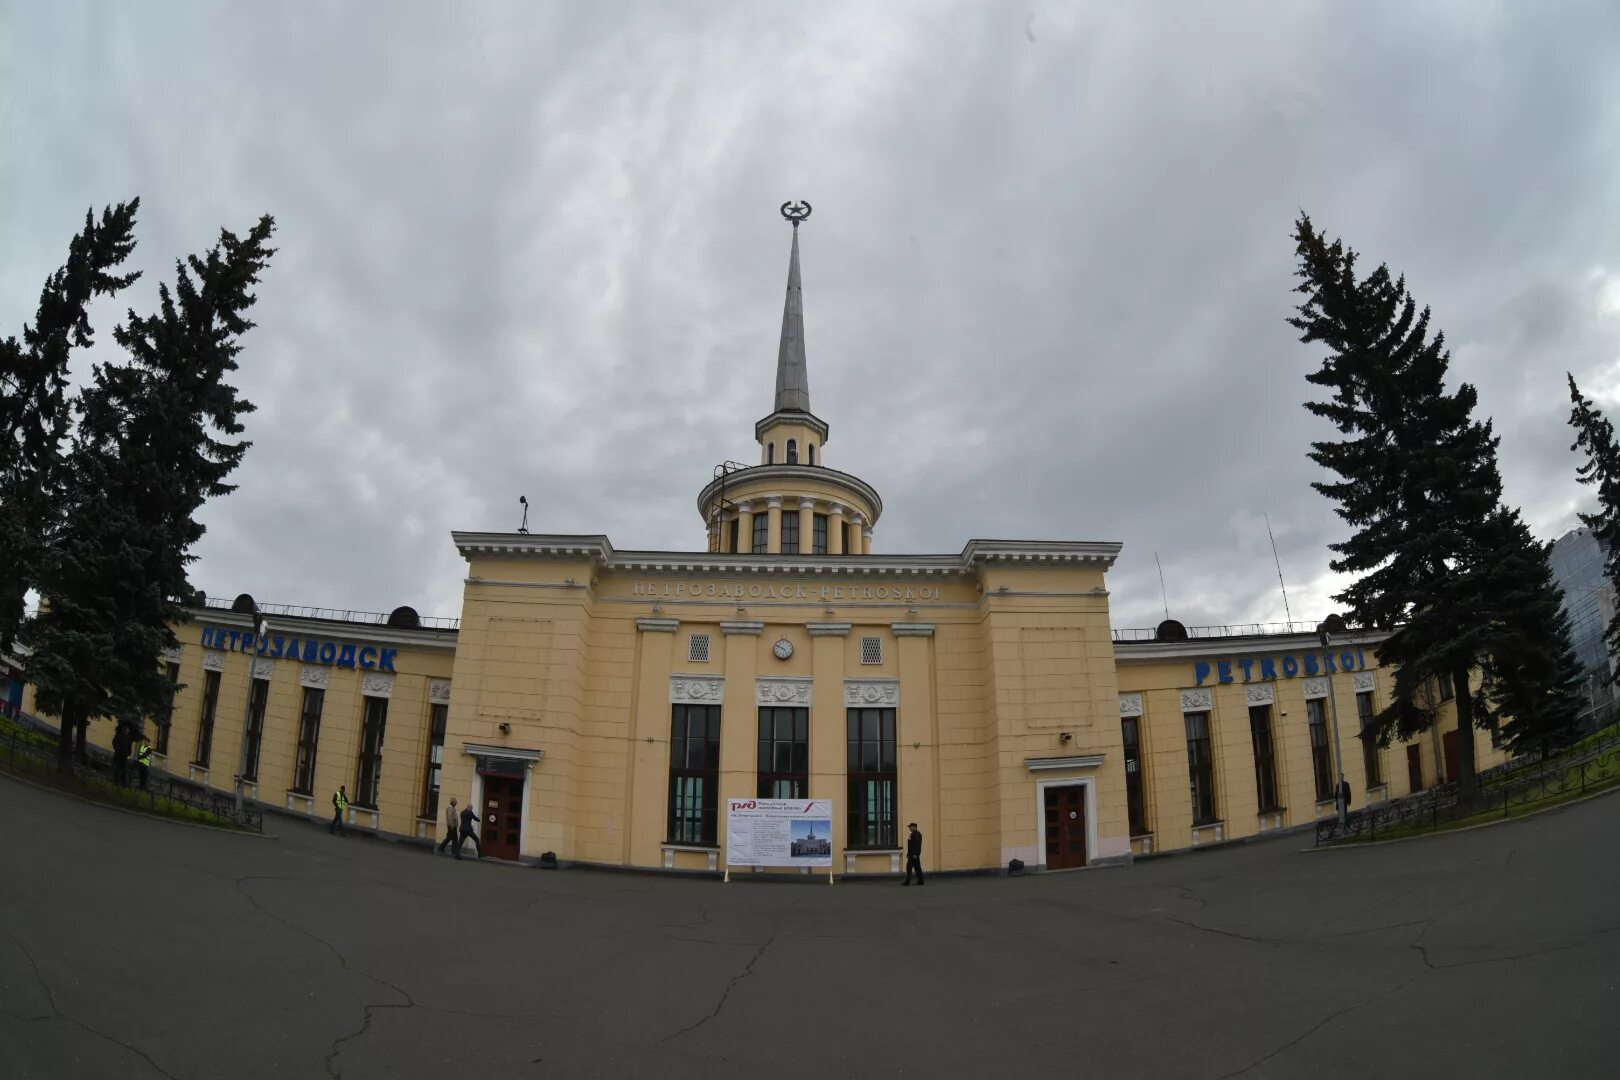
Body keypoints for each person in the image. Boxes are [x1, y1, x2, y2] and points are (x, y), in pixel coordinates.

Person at [903, 821, 924, 886]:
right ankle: (921, 881)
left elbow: (917, 845)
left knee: (909, 868)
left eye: (910, 827)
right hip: (912, 854)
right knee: (917, 868)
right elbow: (911, 845)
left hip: (914, 855)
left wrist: (916, 854)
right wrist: (908, 854)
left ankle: (907, 882)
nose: (909, 828)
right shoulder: (913, 834)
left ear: (913, 827)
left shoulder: (916, 834)